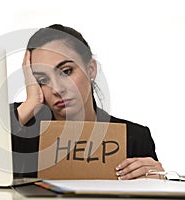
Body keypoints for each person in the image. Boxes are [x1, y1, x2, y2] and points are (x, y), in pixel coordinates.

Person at [10, 24, 164, 180]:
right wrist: (30, 103)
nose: (56, 89)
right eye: (42, 80)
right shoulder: (18, 126)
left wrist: (159, 182)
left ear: (91, 69)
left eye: (66, 71)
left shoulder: (134, 138)